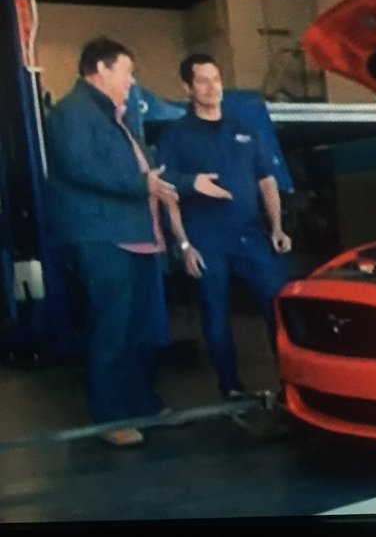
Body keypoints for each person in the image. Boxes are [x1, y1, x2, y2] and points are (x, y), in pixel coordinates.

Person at [45, 38, 227, 447]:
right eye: (126, 71)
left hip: (137, 237)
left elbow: (150, 171)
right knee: (113, 328)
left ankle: (144, 404)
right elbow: (80, 168)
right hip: (105, 237)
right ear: (100, 69)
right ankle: (108, 418)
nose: (131, 80)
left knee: (140, 329)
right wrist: (143, 182)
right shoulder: (72, 113)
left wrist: (187, 182)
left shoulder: (115, 117)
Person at [156, 54, 292, 401]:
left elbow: (266, 181)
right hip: (206, 241)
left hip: (250, 237)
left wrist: (277, 227)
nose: (211, 87)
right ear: (187, 87)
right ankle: (230, 387)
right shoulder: (175, 136)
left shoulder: (244, 129)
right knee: (216, 317)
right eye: (202, 80)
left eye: (215, 79)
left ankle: (292, 383)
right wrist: (184, 245)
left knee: (278, 308)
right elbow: (167, 193)